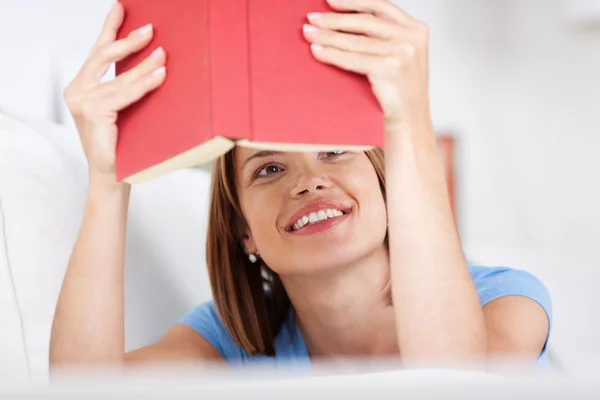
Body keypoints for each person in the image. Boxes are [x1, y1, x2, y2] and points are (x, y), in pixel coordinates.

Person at [49, 0, 552, 372]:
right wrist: (107, 179)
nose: (311, 182)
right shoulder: (228, 345)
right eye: (269, 169)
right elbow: (85, 389)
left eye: (335, 151)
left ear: (386, 186)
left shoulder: (507, 300)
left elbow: (456, 385)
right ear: (244, 230)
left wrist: (408, 122)